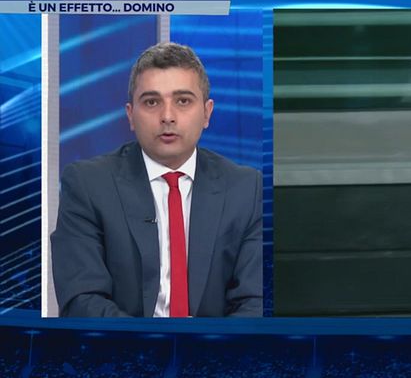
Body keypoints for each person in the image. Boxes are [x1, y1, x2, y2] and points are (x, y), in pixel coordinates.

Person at [51, 42, 263, 317]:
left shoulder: (247, 190)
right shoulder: (87, 185)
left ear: (207, 112)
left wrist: (204, 343)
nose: (167, 117)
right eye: (152, 102)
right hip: (120, 344)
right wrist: (153, 342)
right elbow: (82, 300)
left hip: (217, 344)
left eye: (183, 101)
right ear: (130, 115)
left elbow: (255, 302)